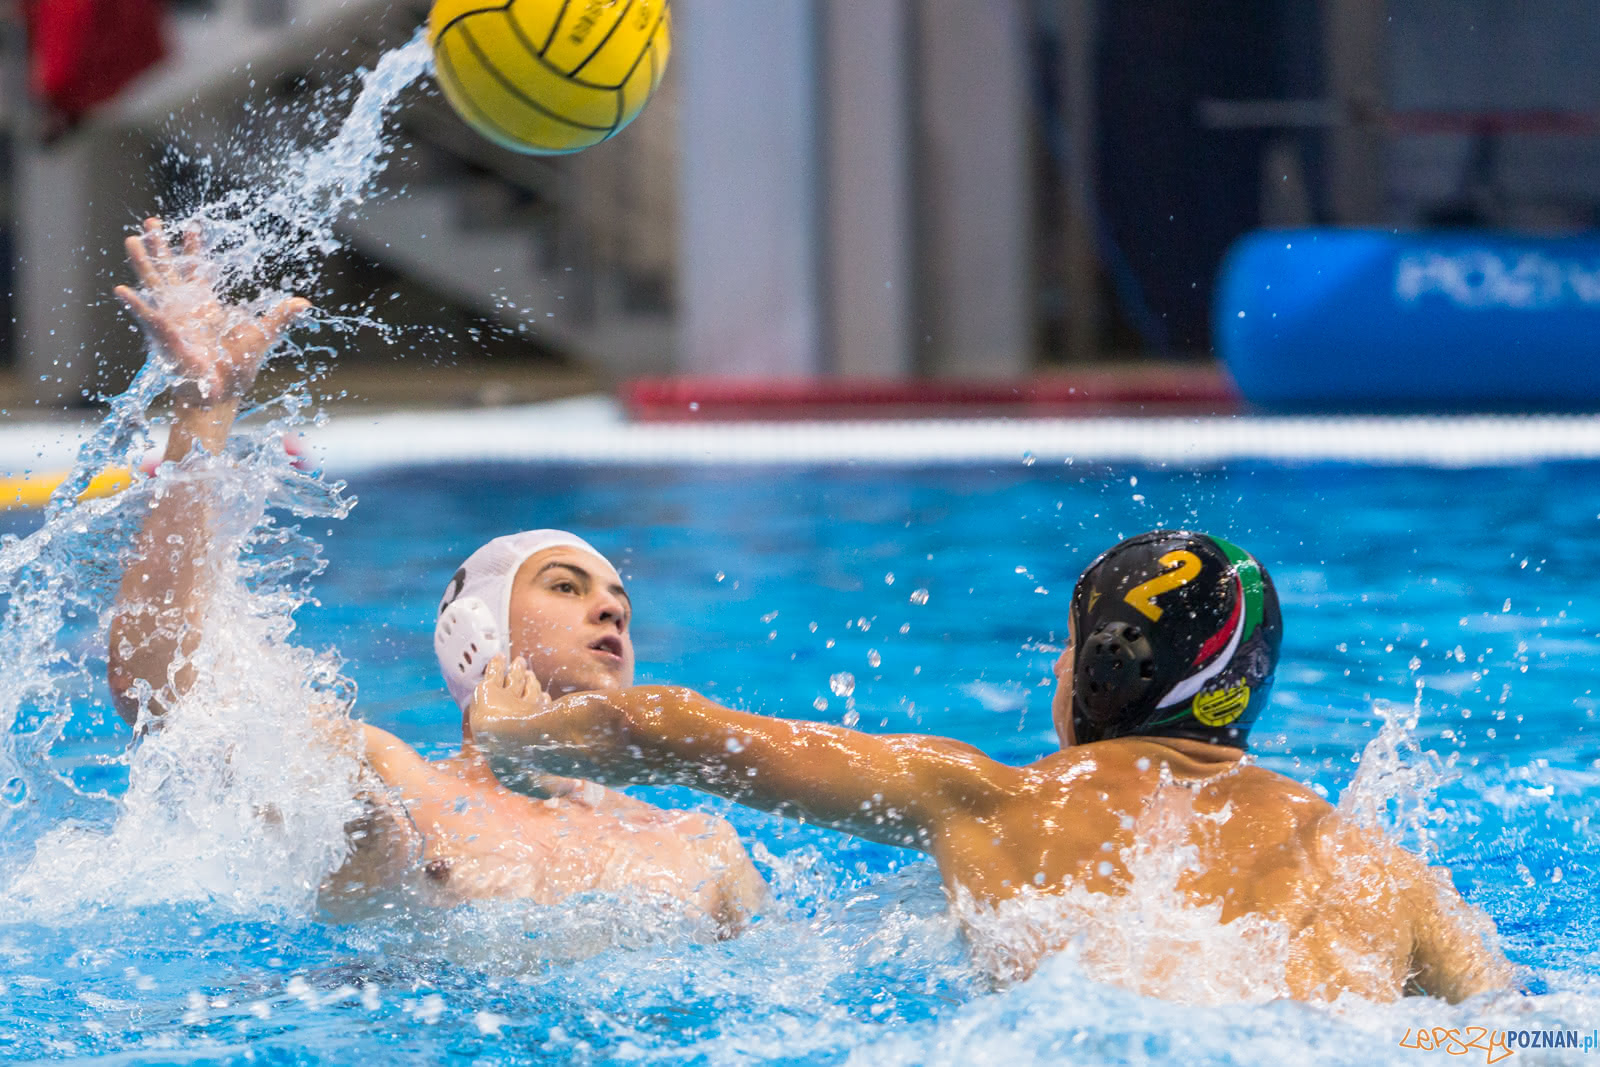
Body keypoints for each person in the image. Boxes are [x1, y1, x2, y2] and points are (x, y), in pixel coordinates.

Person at [469, 529, 1516, 1002]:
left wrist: (518, 736)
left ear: (1104, 667)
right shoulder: (1379, 867)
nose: (1057, 666)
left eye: (1069, 645)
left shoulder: (996, 800)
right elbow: (1525, 1035)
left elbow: (674, 730)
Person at [106, 217, 766, 930]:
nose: (610, 612)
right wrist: (202, 415)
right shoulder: (390, 785)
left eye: (620, 606)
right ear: (475, 630)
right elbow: (164, 693)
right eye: (565, 586)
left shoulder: (701, 849)